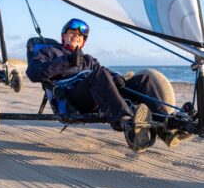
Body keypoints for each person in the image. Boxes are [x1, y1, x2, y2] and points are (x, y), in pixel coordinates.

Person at [26, 18, 189, 151]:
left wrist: (118, 78)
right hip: (71, 99)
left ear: (83, 42)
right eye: (71, 33)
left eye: (80, 36)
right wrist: (65, 61)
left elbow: (105, 72)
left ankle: (166, 127)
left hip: (98, 95)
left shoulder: (88, 59)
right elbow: (33, 73)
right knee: (98, 75)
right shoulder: (49, 52)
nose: (76, 36)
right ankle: (127, 124)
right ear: (63, 36)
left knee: (142, 80)